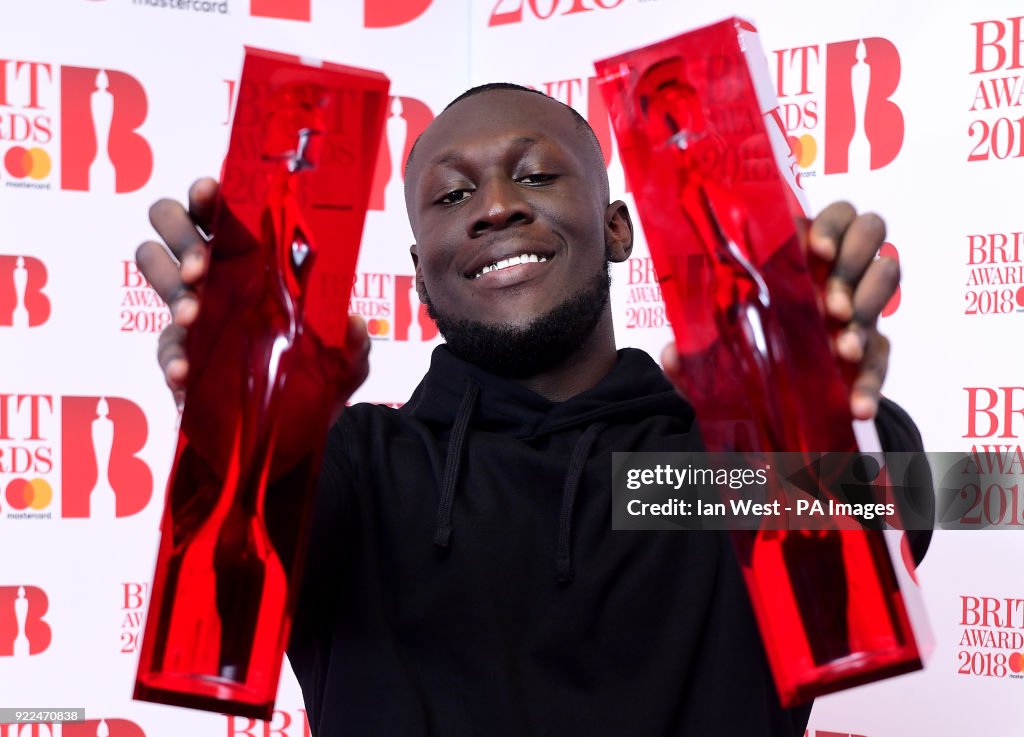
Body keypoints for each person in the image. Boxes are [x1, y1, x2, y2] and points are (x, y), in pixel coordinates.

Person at [136, 83, 928, 736]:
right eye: (451, 194)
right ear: (420, 271)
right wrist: (245, 429)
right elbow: (244, 547)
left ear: (617, 227)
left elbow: (913, 504)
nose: (496, 206)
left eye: (538, 175)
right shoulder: (358, 469)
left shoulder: (709, 470)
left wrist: (822, 405)